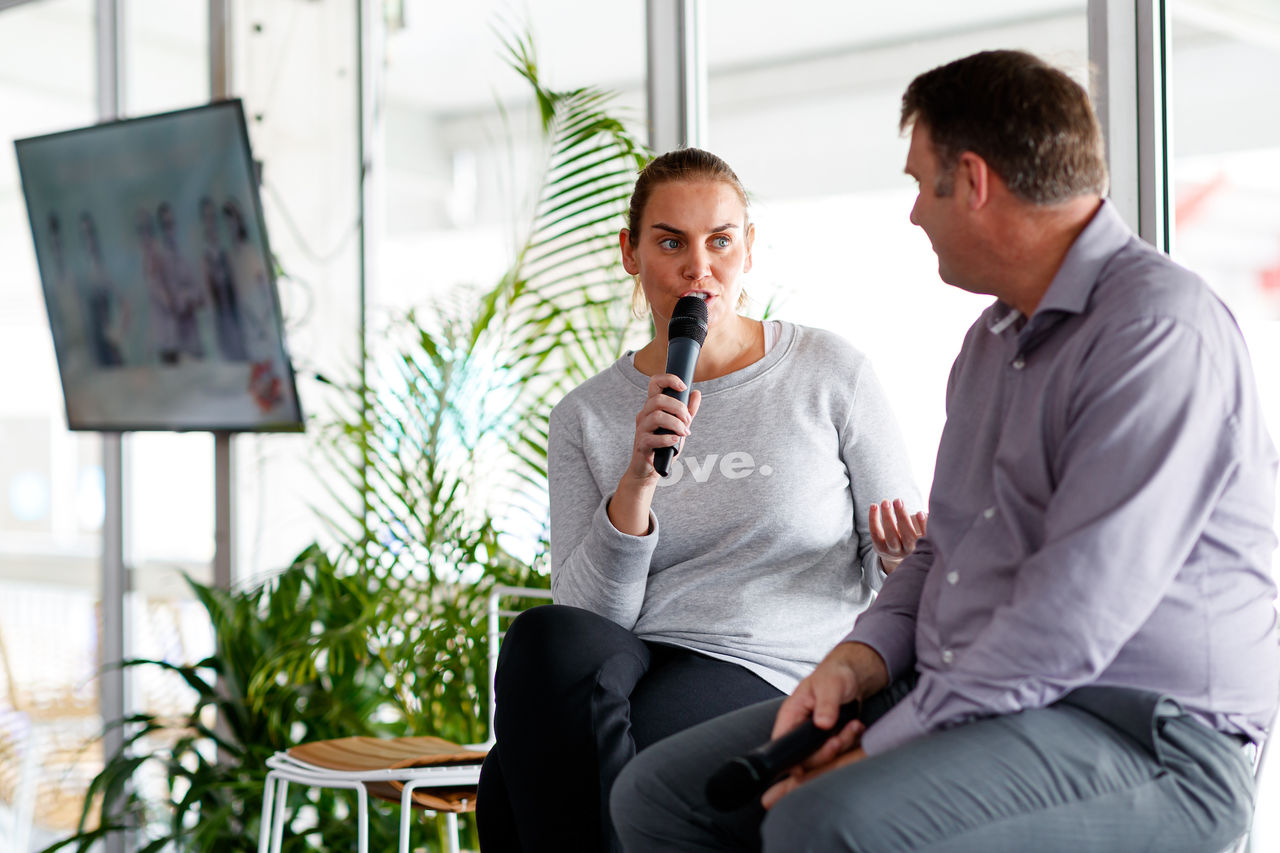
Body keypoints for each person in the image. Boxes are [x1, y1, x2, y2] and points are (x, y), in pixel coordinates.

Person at [611, 50, 1280, 853]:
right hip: (971, 689)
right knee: (659, 795)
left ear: (974, 180)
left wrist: (879, 744)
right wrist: (856, 661)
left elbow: (1071, 619)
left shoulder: (1155, 332)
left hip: (1144, 730)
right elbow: (942, 550)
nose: (914, 214)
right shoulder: (992, 342)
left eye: (922, 184)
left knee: (818, 820)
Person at [475, 148, 926, 852]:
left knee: (511, 784)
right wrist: (637, 482)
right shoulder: (586, 415)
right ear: (631, 252)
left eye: (720, 240)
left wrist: (897, 556)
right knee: (541, 638)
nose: (699, 268)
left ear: (749, 248)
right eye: (670, 242)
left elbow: (901, 567)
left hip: (770, 663)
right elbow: (590, 620)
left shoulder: (828, 372)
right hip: (640, 651)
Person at [199, 195, 248, 361]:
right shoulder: (204, 256)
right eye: (207, 218)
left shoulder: (227, 251)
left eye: (213, 217)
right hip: (221, 323)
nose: (211, 223)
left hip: (238, 318)